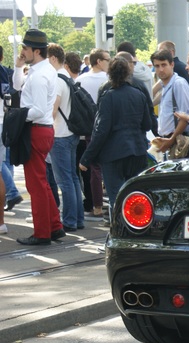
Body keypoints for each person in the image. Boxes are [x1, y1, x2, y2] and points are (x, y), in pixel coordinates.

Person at [13, 29, 65, 245]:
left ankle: (43, 233)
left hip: (36, 129)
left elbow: (39, 109)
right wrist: (18, 66)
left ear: (36, 50)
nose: (22, 51)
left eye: (25, 48)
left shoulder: (40, 75)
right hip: (41, 129)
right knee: (41, 183)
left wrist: (17, 116)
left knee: (36, 185)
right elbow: (17, 85)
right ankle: (54, 227)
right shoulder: (42, 70)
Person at [79, 56, 152, 207]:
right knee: (136, 199)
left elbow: (101, 130)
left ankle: (119, 229)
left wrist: (86, 158)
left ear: (110, 74)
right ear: (127, 73)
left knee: (117, 200)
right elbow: (147, 124)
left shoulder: (108, 97)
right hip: (137, 152)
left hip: (114, 155)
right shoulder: (139, 94)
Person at [48, 43, 84, 232]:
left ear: (53, 58)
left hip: (60, 135)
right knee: (73, 178)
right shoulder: (68, 78)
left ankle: (69, 221)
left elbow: (53, 110)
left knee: (64, 181)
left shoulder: (56, 80)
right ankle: (77, 219)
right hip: (71, 134)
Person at [76, 48, 110, 220]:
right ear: (99, 61)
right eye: (107, 59)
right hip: (108, 126)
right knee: (109, 166)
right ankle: (110, 204)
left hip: (88, 127)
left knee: (93, 167)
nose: (109, 62)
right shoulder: (109, 80)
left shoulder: (80, 80)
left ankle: (96, 205)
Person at [150, 49, 189, 155]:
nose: (160, 69)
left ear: (172, 64)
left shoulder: (179, 84)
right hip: (168, 140)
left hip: (178, 140)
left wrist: (171, 139)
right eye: (157, 66)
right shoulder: (165, 84)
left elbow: (186, 116)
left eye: (164, 65)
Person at [0, 44, 23, 212]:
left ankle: (12, 192)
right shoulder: (6, 72)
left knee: (2, 162)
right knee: (5, 160)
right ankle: (10, 194)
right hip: (7, 119)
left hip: (2, 121)